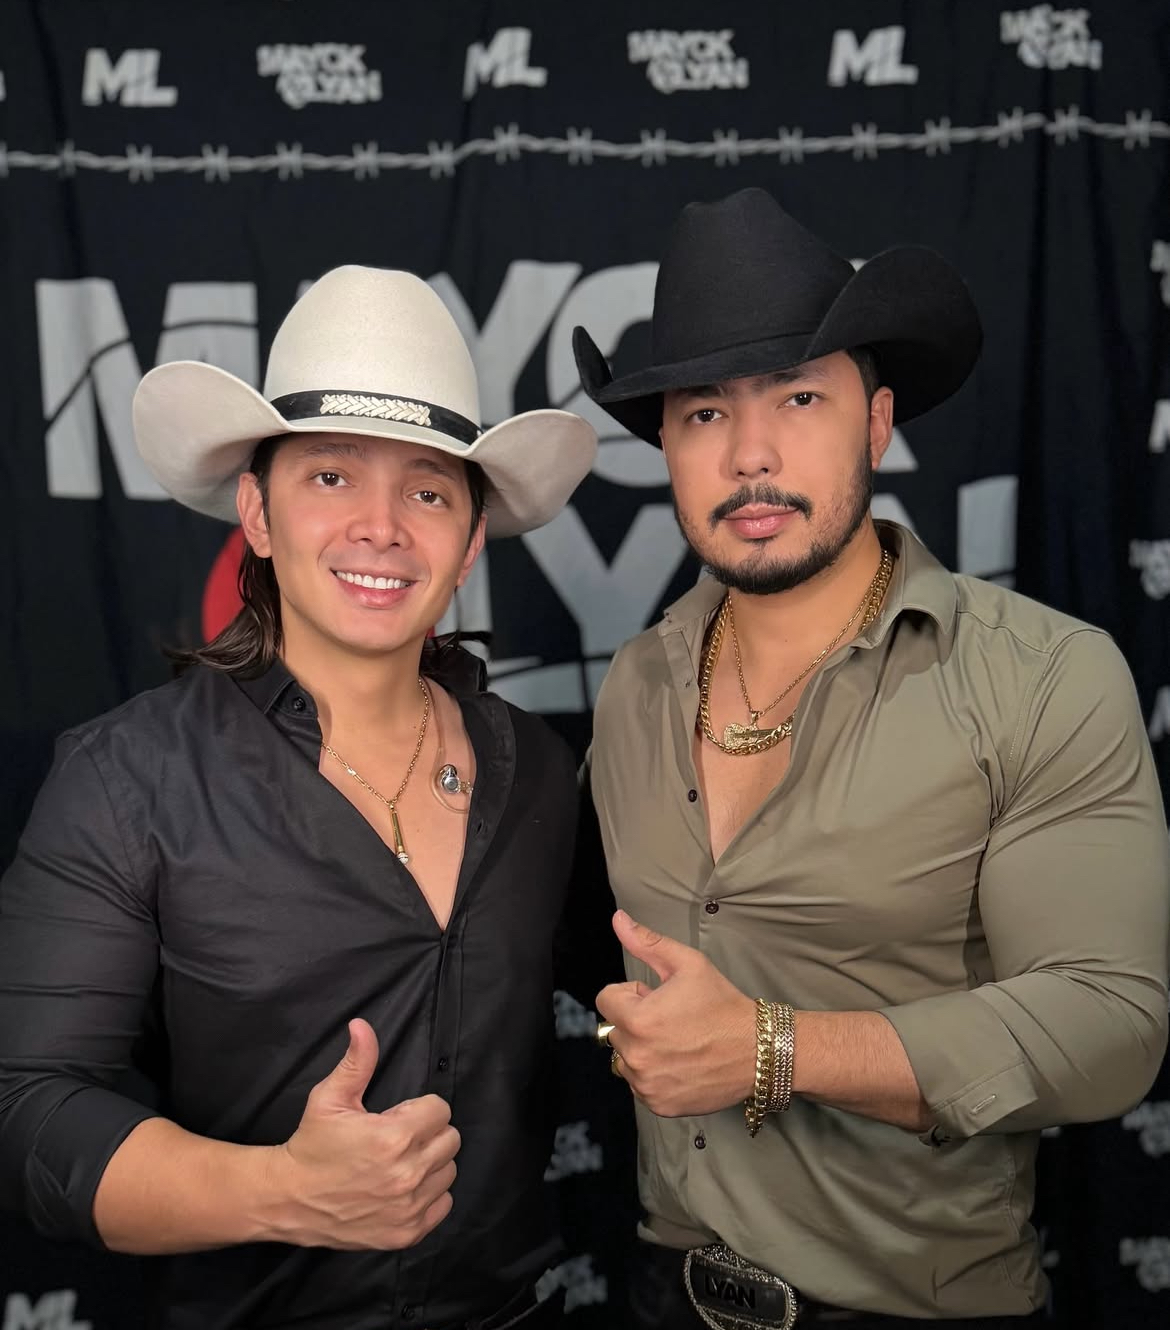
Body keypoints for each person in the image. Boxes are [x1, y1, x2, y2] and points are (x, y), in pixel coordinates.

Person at [572, 188, 1170, 1328]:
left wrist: (773, 1050)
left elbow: (1109, 1025)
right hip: (664, 1293)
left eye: (799, 397)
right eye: (704, 413)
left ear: (878, 421)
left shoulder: (1042, 676)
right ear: (666, 448)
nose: (751, 454)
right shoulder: (638, 684)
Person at [0, 265, 597, 1330]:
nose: (381, 526)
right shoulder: (127, 779)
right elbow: (25, 1107)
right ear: (258, 514)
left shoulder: (542, 771)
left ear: (469, 542)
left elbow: (649, 983)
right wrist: (282, 1188)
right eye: (330, 476)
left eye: (427, 490)